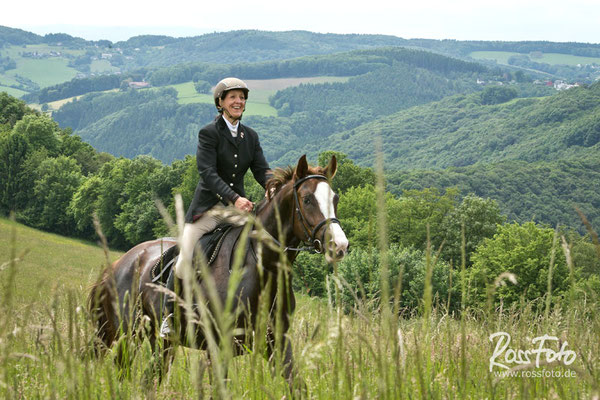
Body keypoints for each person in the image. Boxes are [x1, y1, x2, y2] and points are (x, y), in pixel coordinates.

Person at [161, 77, 270, 337]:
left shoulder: (250, 136)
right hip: (207, 211)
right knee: (184, 260)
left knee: (264, 249)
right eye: (232, 97)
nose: (238, 101)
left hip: (236, 214)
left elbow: (261, 169)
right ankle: (170, 316)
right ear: (220, 102)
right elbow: (207, 173)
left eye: (242, 97)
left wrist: (274, 186)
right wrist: (234, 198)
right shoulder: (209, 133)